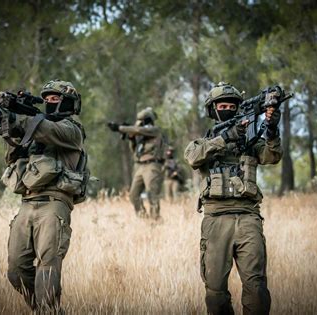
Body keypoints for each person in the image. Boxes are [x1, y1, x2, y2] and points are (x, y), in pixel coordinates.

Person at [0, 79, 87, 312]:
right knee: (16, 271)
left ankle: (47, 308)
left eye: (55, 98)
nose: (49, 102)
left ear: (68, 102)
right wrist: (5, 124)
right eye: (47, 99)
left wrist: (17, 118)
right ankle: (46, 310)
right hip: (27, 203)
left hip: (54, 205)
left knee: (47, 271)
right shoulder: (34, 128)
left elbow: (46, 129)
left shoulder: (72, 130)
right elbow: (13, 157)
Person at [184, 82, 283, 314]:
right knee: (215, 290)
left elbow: (272, 155)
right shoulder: (204, 142)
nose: (227, 108)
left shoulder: (249, 141)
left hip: (248, 218)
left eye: (232, 105)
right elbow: (192, 157)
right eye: (223, 105)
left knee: (256, 287)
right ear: (213, 110)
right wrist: (225, 137)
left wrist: (271, 130)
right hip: (216, 220)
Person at [107, 107, 164, 220]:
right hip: (140, 166)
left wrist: (120, 128)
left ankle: (155, 221)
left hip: (152, 165)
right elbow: (135, 153)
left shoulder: (155, 130)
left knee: (151, 194)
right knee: (133, 195)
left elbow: (139, 130)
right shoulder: (141, 138)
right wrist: (132, 139)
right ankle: (144, 218)